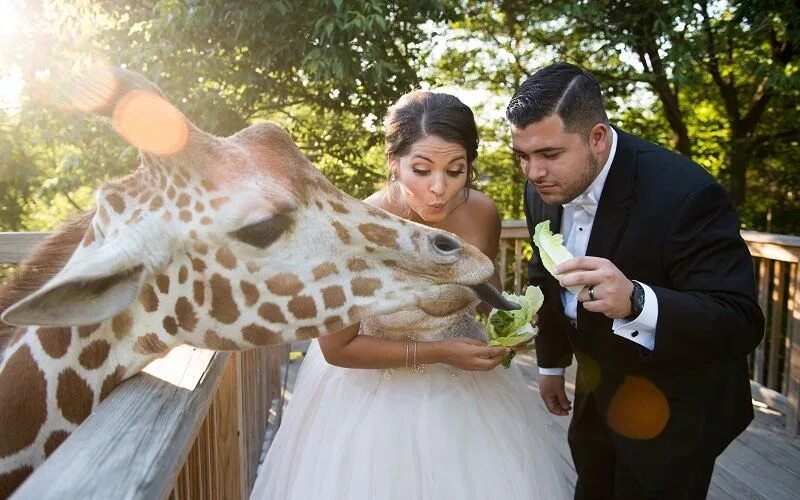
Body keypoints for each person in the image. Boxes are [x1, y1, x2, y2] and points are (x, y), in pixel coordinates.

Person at [249, 90, 570, 499]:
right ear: (393, 163)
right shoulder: (353, 233)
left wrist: (510, 319)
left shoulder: (482, 214)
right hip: (371, 399)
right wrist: (441, 352)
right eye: (422, 169)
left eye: (456, 171)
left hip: (471, 394)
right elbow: (337, 349)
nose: (440, 188)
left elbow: (479, 289)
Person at [509, 62, 765, 499]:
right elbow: (543, 274)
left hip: (679, 409)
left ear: (597, 137)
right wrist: (551, 363)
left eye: (549, 154)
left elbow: (740, 321)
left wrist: (637, 302)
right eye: (523, 156)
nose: (533, 173)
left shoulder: (687, 194)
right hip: (595, 398)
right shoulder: (543, 188)